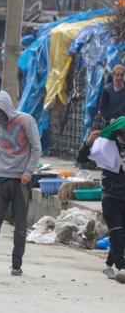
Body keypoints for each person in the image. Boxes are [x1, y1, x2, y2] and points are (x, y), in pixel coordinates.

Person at [0, 90, 41, 276]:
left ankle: (16, 264)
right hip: (1, 179)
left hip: (20, 180)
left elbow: (36, 148)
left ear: (7, 107)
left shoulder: (25, 121)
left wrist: (28, 172)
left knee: (20, 225)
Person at [77, 118, 125, 284]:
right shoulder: (106, 147)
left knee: (120, 235)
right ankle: (122, 267)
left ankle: (108, 264)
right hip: (111, 197)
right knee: (117, 232)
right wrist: (89, 142)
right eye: (121, 132)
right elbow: (81, 158)